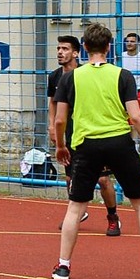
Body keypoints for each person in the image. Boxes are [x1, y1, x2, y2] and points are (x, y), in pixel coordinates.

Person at [52, 22, 140, 279]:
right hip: (119, 142)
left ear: (84, 47)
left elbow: (60, 120)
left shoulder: (70, 78)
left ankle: (63, 267)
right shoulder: (123, 75)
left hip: (86, 144)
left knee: (75, 207)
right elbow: (136, 116)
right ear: (109, 48)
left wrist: (61, 146)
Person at [51, 34, 120, 235]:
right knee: (70, 178)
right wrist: (52, 128)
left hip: (90, 133)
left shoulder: (85, 74)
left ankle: (113, 216)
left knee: (103, 180)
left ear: (76, 53)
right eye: (58, 49)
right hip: (69, 133)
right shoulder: (55, 77)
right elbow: (53, 103)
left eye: (64, 49)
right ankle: (77, 213)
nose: (60, 52)